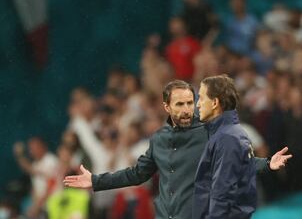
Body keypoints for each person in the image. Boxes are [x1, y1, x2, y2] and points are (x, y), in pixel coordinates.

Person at [64, 80, 291, 219]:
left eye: (189, 103)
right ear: (167, 107)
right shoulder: (159, 139)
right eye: (179, 104)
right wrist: (96, 181)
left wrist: (268, 163)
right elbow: (136, 174)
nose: (185, 109)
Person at [193, 74, 292, 219]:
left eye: (201, 98)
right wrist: (267, 162)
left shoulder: (226, 137)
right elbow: (240, 165)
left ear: (215, 102)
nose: (198, 104)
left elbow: (222, 192)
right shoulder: (226, 133)